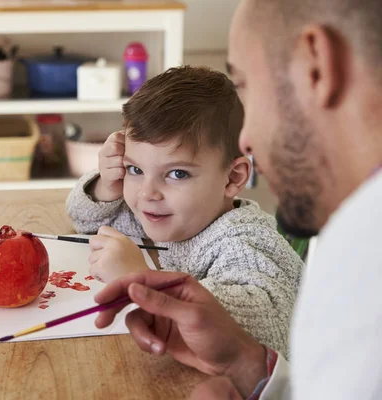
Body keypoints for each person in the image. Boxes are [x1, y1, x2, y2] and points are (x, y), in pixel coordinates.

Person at [93, 0, 382, 398]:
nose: (247, 140)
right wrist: (250, 369)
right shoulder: (357, 230)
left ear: (316, 64)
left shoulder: (370, 267)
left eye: (246, 85)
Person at [66, 66, 304, 356]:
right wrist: (107, 184)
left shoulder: (246, 241)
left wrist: (141, 280)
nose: (147, 193)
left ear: (233, 178)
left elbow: (262, 326)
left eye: (177, 174)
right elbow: (84, 221)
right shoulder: (158, 214)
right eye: (136, 169)